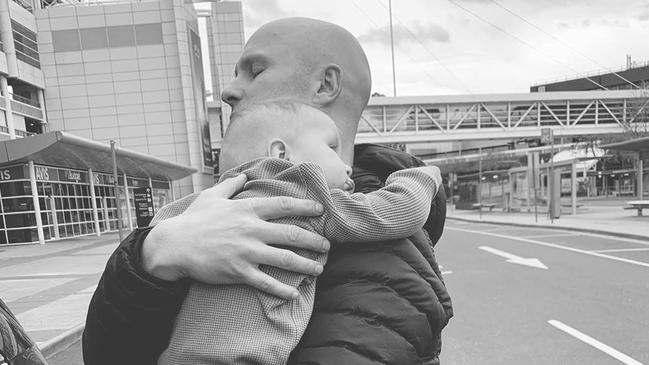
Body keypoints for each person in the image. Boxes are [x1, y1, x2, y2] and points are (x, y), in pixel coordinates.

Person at [83, 17, 452, 365]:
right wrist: (151, 256)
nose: (228, 91)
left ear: (325, 85)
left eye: (255, 70)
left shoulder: (371, 245)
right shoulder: (222, 204)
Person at [158, 102, 442, 365]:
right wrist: (422, 176)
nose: (346, 165)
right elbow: (401, 212)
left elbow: (156, 230)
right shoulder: (304, 191)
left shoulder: (207, 204)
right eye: (333, 148)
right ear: (282, 154)